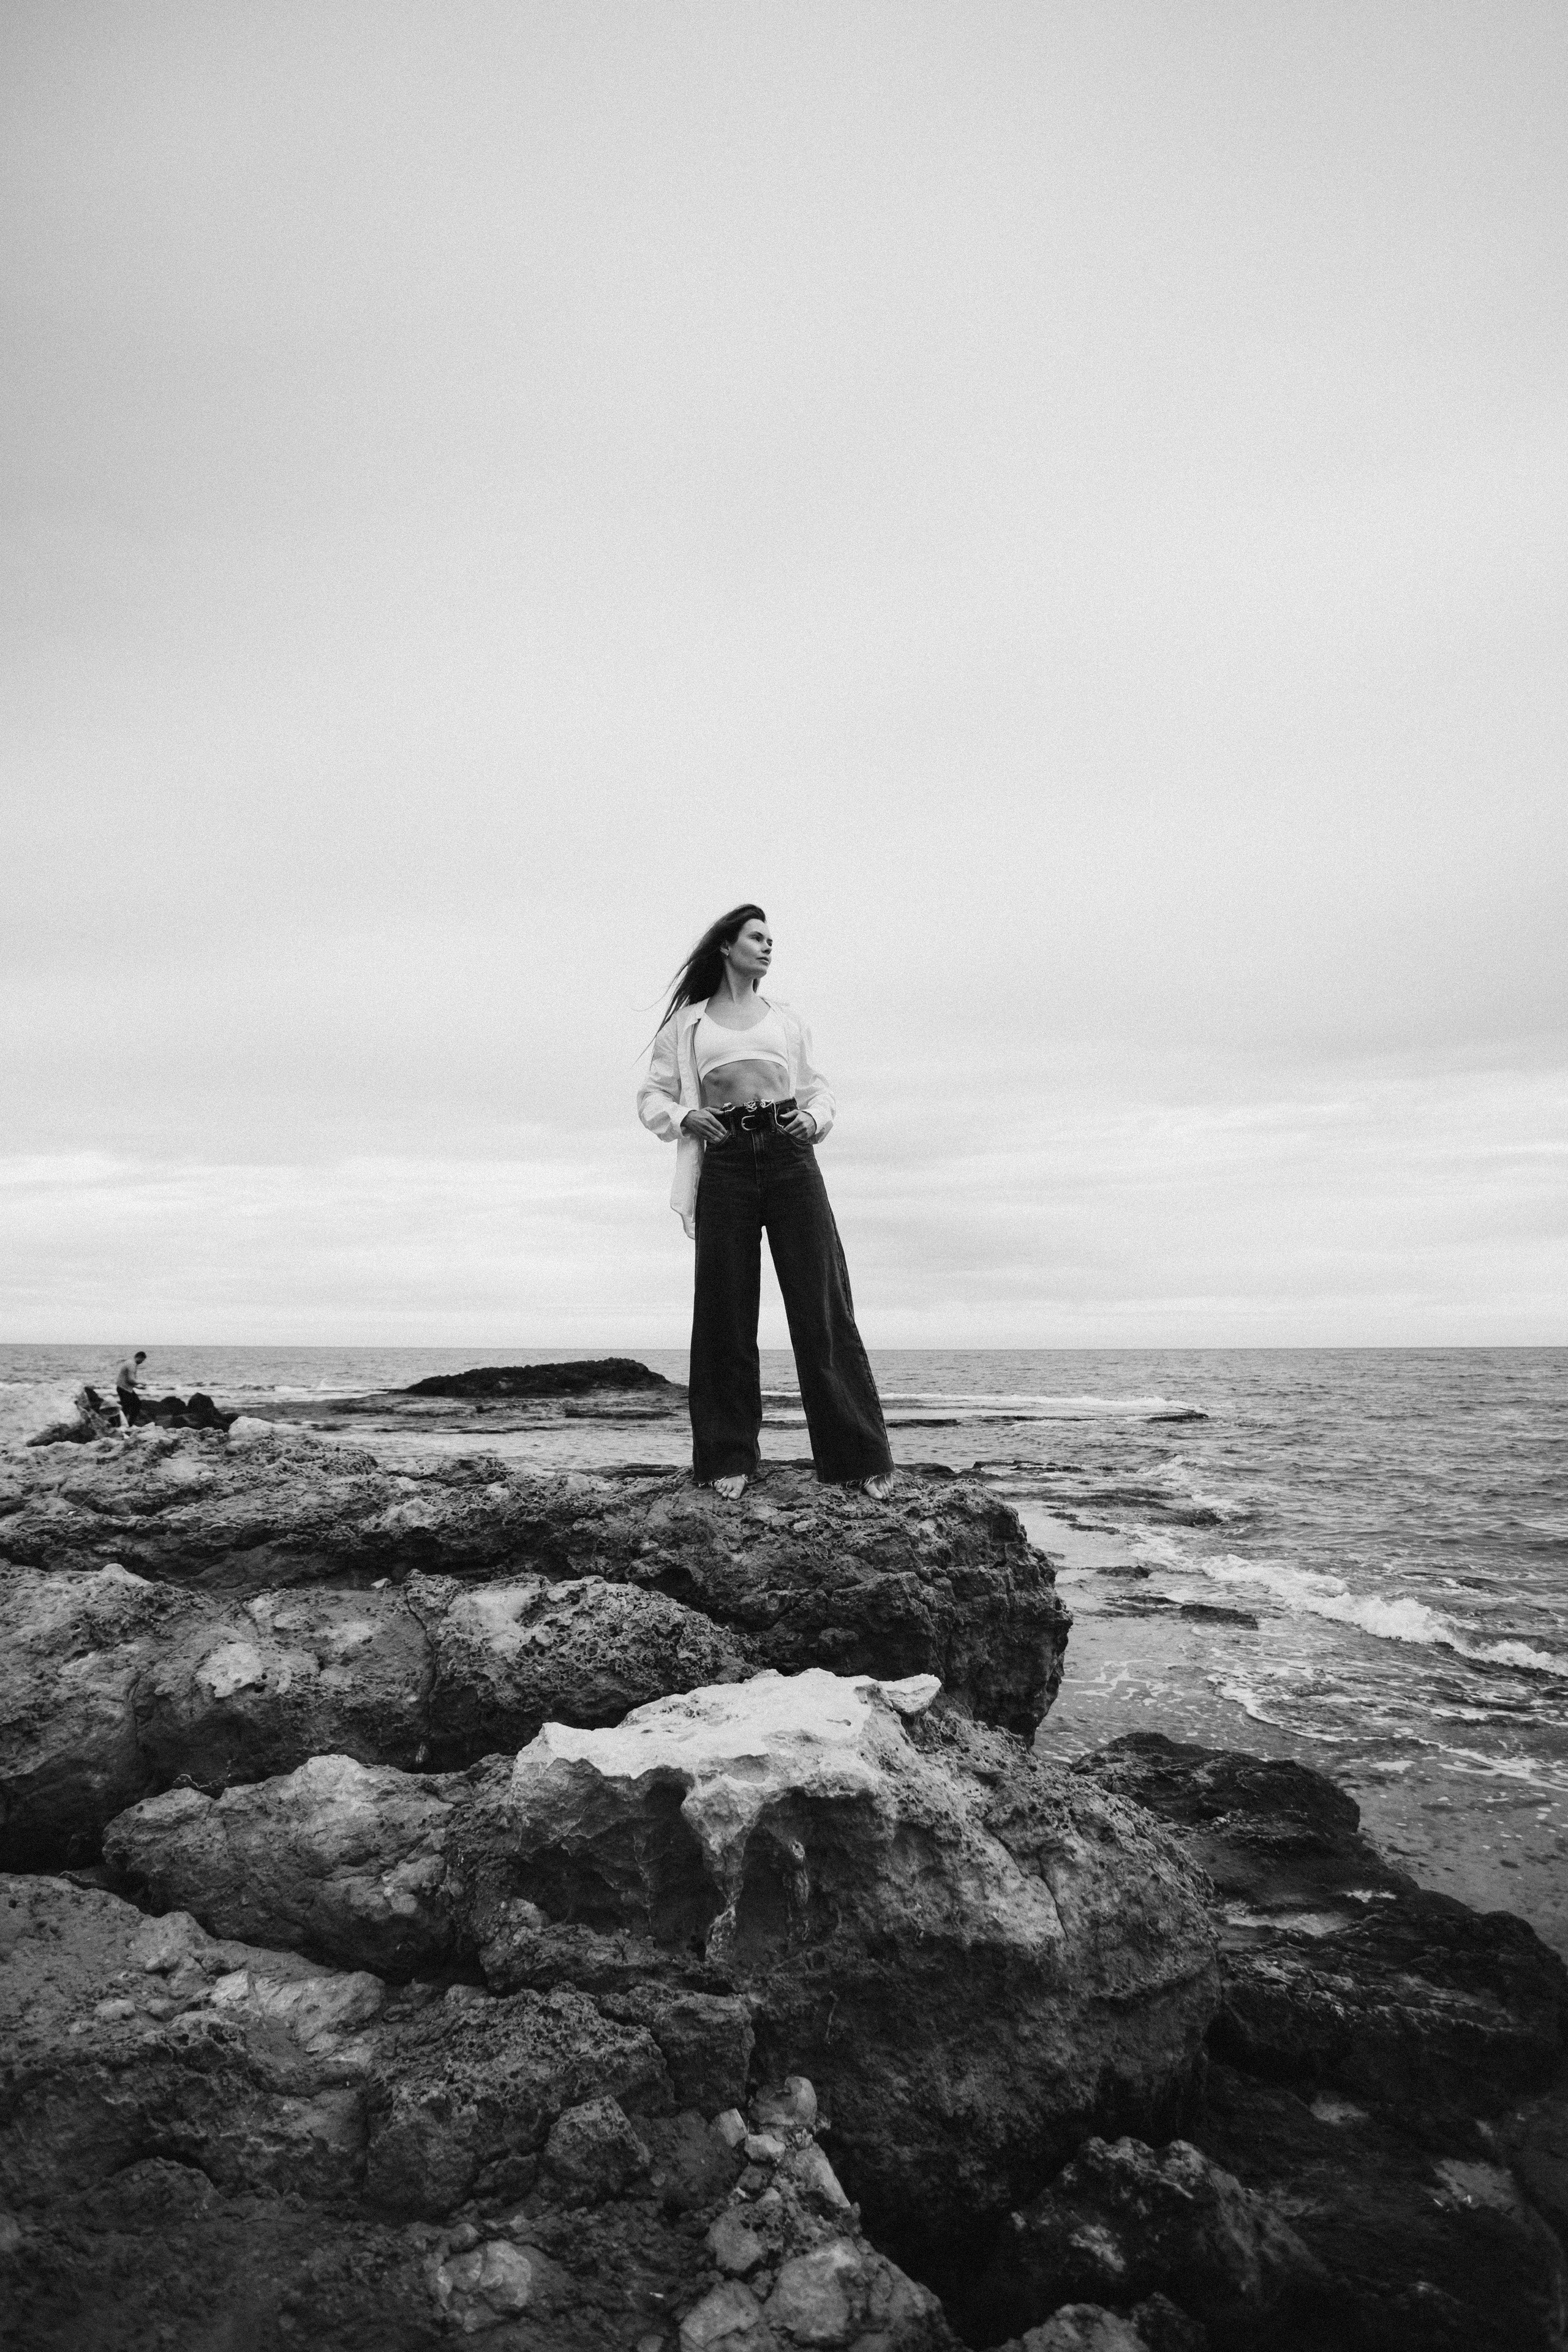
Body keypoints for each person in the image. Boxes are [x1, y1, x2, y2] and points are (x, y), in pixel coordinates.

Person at [638, 903, 895, 1503]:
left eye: (772, 939)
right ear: (726, 947)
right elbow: (651, 1096)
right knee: (725, 1309)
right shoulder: (688, 1025)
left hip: (789, 1152)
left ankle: (859, 1458)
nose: (768, 946)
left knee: (821, 1302)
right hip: (725, 1157)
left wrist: (814, 1118)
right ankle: (727, 1458)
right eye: (756, 937)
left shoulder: (786, 1020)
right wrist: (685, 1116)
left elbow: (817, 1088)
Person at [114, 1350, 147, 1428]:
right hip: (124, 1389)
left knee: (129, 1406)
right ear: (139, 1357)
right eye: (142, 1360)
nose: (141, 1363)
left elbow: (127, 1380)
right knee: (134, 1405)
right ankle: (127, 1425)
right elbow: (131, 1380)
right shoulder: (132, 1365)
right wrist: (141, 1383)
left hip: (123, 1388)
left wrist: (138, 1387)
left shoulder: (129, 1362)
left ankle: (123, 1424)